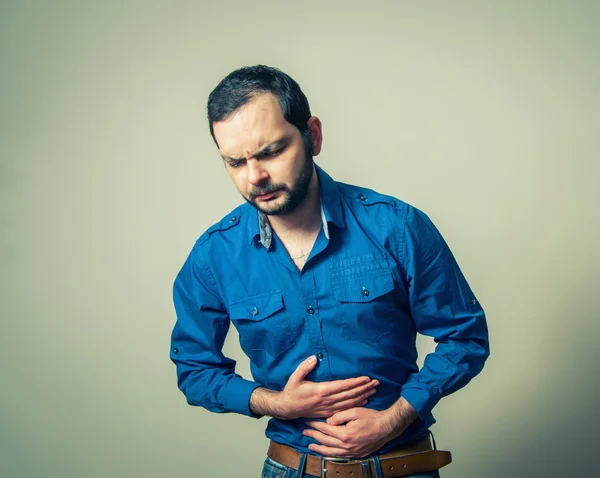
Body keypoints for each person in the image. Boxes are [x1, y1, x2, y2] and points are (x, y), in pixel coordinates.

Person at [170, 65, 489, 478]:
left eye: (271, 151)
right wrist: (275, 403)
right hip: (291, 468)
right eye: (235, 162)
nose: (256, 176)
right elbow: (194, 370)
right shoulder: (214, 255)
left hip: (401, 467)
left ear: (312, 136)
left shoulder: (396, 227)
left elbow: (464, 336)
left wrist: (395, 416)